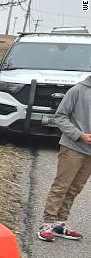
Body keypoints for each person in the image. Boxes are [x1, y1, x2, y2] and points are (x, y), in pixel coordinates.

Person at [39, 74, 91, 242]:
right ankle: (47, 224)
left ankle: (60, 224)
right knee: (62, 186)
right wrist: (79, 135)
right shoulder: (77, 91)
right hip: (73, 147)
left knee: (75, 188)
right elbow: (60, 116)